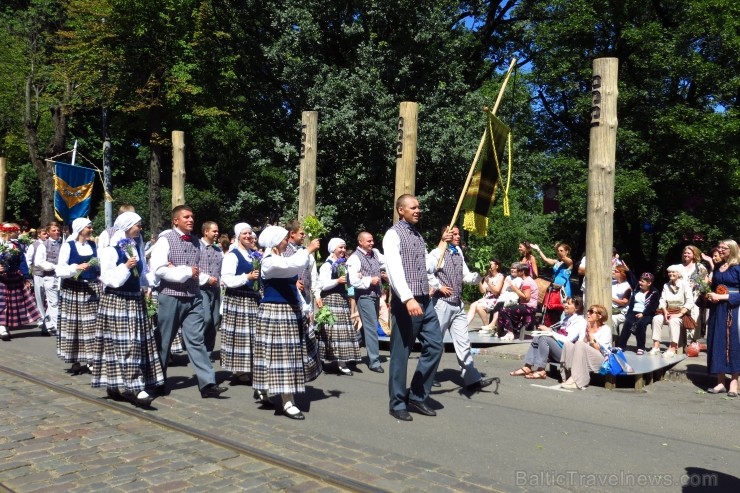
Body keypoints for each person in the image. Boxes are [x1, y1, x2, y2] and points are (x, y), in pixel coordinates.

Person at [383, 194, 450, 422]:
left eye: (419, 207)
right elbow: (393, 269)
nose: (418, 210)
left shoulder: (418, 236)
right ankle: (397, 402)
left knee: (435, 345)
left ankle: (417, 396)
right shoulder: (393, 235)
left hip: (425, 301)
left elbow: (428, 266)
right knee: (401, 355)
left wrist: (442, 242)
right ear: (401, 210)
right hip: (407, 303)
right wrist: (407, 298)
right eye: (413, 207)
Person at [149, 205, 227, 398]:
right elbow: (158, 269)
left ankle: (207, 383)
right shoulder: (165, 240)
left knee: (196, 340)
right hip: (170, 296)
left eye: (192, 216)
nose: (191, 220)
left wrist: (201, 278)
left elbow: (197, 270)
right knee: (164, 340)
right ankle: (157, 380)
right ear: (176, 220)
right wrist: (184, 271)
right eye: (186, 217)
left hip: (193, 297)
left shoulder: (196, 242)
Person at [91, 212, 164, 407]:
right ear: (127, 226)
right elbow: (108, 279)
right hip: (116, 301)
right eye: (137, 225)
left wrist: (156, 279)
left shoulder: (134, 249)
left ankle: (126, 384)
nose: (140, 229)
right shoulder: (109, 251)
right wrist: (125, 266)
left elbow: (141, 277)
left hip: (134, 301)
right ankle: (131, 386)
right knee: (122, 345)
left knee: (134, 344)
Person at [253, 225, 322, 420]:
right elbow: (290, 267)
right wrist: (307, 251)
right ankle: (286, 401)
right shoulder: (268, 261)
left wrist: (305, 308)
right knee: (279, 355)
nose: (286, 242)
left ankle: (276, 394)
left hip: (290, 311)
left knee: (288, 355)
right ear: (275, 242)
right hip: (275, 312)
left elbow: (292, 281)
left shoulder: (281, 258)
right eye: (284, 239)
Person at [428, 226, 494, 391]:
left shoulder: (458, 251)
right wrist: (438, 286)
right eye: (454, 234)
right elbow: (427, 272)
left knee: (463, 342)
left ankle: (472, 379)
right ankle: (428, 376)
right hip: (441, 304)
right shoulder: (436, 253)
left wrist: (480, 274)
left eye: (459, 234)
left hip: (457, 304)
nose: (458, 236)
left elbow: (466, 276)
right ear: (446, 234)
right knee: (435, 342)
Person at [55, 218, 101, 373]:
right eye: (89, 227)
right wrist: (76, 267)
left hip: (91, 288)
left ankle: (91, 359)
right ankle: (74, 359)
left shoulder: (93, 245)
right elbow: (60, 270)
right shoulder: (68, 246)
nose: (91, 229)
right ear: (80, 229)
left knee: (92, 325)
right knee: (73, 326)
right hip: (73, 290)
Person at [220, 223, 261, 386]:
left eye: (250, 233)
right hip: (237, 298)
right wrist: (247, 277)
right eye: (245, 233)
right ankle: (240, 370)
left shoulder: (253, 254)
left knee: (251, 334)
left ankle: (247, 367)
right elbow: (227, 279)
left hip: (252, 297)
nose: (249, 236)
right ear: (238, 236)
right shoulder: (233, 255)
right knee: (239, 334)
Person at [509, 296, 586, 379]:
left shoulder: (580, 321)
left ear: (577, 308)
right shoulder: (567, 319)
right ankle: (527, 366)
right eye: (565, 303)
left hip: (569, 353)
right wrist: (547, 330)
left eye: (569, 304)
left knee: (544, 338)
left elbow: (568, 340)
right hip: (561, 348)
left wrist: (550, 332)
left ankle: (541, 370)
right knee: (538, 336)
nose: (565, 305)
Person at [317, 238, 361, 375]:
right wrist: (337, 280)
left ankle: (342, 362)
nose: (342, 250)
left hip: (342, 301)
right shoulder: (327, 265)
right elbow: (322, 284)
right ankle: (321, 360)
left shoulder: (345, 265)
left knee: (343, 333)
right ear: (333, 249)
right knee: (330, 332)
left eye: (344, 247)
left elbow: (350, 286)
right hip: (330, 299)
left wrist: (352, 295)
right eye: (340, 248)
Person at [347, 231, 387, 373]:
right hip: (364, 296)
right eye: (368, 241)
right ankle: (374, 361)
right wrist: (369, 280)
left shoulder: (375, 253)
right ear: (361, 242)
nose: (372, 243)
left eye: (372, 240)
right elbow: (352, 280)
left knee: (366, 329)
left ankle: (350, 355)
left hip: (374, 295)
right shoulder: (354, 258)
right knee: (371, 327)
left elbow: (387, 261)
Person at [705, 240, 740, 397]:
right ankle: (720, 382)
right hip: (717, 310)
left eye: (723, 248)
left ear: (731, 250)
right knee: (717, 341)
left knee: (733, 343)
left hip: (733, 309)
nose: (720, 250)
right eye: (719, 247)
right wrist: (710, 295)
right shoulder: (719, 267)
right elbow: (714, 287)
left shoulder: (738, 268)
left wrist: (722, 296)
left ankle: (734, 383)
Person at [0, 222, 42, 341]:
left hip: (13, 277)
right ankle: (1, 326)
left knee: (11, 304)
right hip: (0, 279)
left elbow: (22, 262)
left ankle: (5, 325)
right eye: (14, 231)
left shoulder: (15, 246)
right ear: (6, 232)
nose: (16, 233)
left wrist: (27, 277)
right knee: (2, 302)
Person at [560, 304, 613, 389]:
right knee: (568, 344)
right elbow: (581, 346)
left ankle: (578, 380)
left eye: (591, 312)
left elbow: (600, 349)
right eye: (588, 311)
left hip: (600, 360)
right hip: (585, 358)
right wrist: (586, 339)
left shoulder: (605, 329)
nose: (588, 313)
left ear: (599, 316)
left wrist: (591, 337)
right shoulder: (586, 327)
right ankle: (568, 375)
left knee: (579, 344)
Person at [649, 265, 694, 358]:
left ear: (679, 273)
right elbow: (662, 300)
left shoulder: (685, 284)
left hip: (681, 312)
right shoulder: (666, 285)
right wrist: (665, 311)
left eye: (673, 272)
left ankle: (673, 347)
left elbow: (690, 301)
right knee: (656, 318)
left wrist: (679, 314)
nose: (671, 274)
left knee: (674, 321)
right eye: (669, 272)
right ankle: (656, 346)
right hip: (668, 311)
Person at [616, 272, 660, 354]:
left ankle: (640, 347)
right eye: (640, 280)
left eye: (643, 281)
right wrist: (627, 270)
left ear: (649, 283)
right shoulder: (637, 289)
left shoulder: (654, 292)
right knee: (628, 322)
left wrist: (643, 314)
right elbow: (631, 278)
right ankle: (621, 346)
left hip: (647, 313)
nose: (640, 283)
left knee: (641, 324)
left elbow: (653, 306)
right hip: (634, 311)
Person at [33, 222, 63, 336]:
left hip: (61, 277)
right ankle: (56, 326)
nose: (56, 232)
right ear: (49, 232)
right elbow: (39, 262)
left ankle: (47, 326)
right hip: (49, 277)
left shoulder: (63, 243)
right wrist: (53, 266)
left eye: (58, 230)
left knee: (56, 302)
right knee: (53, 302)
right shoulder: (43, 245)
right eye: (54, 230)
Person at [532, 242, 573, 325]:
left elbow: (565, 258)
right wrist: (538, 249)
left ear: (567, 251)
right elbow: (546, 260)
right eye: (558, 251)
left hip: (564, 289)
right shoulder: (556, 262)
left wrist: (558, 249)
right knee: (552, 308)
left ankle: (563, 327)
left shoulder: (569, 263)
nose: (559, 252)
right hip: (554, 289)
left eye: (561, 250)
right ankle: (551, 325)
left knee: (563, 308)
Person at [198, 220, 224, 356]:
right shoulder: (196, 246)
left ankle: (207, 352)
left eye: (217, 231)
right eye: (214, 231)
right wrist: (206, 278)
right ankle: (197, 348)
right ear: (206, 231)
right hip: (201, 289)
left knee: (214, 321)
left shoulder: (218, 250)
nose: (216, 233)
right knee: (206, 318)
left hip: (215, 290)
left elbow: (222, 270)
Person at [498, 263, 539, 341]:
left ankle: (510, 333)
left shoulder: (526, 282)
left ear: (523, 272)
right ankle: (510, 331)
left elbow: (526, 298)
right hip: (527, 306)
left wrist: (515, 289)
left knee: (504, 310)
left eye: (519, 270)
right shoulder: (528, 280)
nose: (517, 272)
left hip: (529, 307)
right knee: (506, 309)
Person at [466, 257, 504, 328]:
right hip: (487, 298)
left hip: (496, 299)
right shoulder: (488, 276)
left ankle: (487, 326)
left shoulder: (500, 276)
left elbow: (496, 291)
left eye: (491, 264)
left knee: (479, 306)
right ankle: (465, 325)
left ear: (497, 266)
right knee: (473, 305)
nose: (488, 265)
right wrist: (479, 280)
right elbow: (483, 291)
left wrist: (488, 282)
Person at [27, 227, 49, 333]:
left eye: (47, 233)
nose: (46, 235)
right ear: (39, 235)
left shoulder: (50, 244)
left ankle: (49, 319)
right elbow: (28, 259)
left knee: (50, 298)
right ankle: (41, 318)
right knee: (40, 297)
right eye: (44, 234)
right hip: (38, 274)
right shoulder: (34, 245)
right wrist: (29, 273)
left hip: (51, 275)